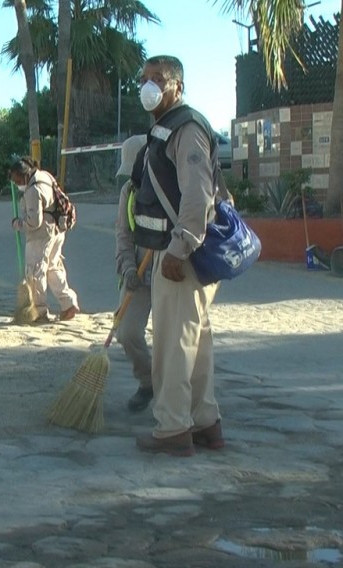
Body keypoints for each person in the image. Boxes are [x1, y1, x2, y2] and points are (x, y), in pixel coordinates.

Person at [131, 55, 223, 457]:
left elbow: (198, 193)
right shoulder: (165, 129)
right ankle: (205, 424)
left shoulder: (185, 128)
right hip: (179, 254)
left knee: (172, 345)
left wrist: (180, 244)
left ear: (177, 88)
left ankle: (172, 429)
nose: (148, 86)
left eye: (158, 79)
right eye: (144, 79)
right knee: (195, 344)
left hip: (180, 256)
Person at [8, 157, 80, 323]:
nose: (16, 184)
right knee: (53, 268)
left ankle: (39, 311)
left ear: (25, 175)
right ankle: (68, 303)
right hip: (56, 231)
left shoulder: (34, 190)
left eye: (17, 180)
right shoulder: (44, 176)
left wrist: (18, 224)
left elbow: (34, 222)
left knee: (35, 272)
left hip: (41, 235)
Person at [114, 134, 152, 412]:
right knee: (126, 332)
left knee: (172, 338)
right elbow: (122, 235)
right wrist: (128, 267)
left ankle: (179, 395)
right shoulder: (128, 190)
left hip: (171, 271)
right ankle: (148, 382)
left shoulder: (173, 185)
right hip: (138, 271)